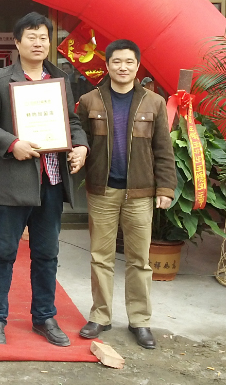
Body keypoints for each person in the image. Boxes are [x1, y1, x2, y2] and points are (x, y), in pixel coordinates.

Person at [0, 12, 89, 347]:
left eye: (43, 38)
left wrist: (81, 146)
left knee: (47, 254)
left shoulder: (60, 78)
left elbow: (72, 122)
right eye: (31, 37)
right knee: (3, 253)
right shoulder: (0, 79)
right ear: (17, 42)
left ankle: (44, 317)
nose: (38, 43)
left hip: (51, 182)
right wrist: (13, 144)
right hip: (15, 183)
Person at [75, 39, 176, 349]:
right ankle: (100, 316)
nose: (123, 67)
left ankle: (140, 321)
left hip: (140, 193)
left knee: (139, 260)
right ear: (107, 65)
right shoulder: (89, 101)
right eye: (116, 61)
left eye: (129, 62)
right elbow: (79, 139)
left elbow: (163, 149)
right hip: (102, 191)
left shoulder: (153, 102)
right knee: (100, 257)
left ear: (137, 66)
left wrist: (165, 188)